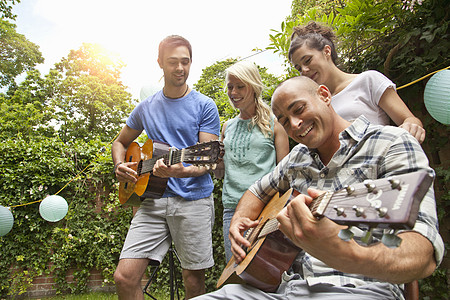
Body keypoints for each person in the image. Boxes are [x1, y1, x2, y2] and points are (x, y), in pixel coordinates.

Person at [193, 76, 443, 300]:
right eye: (285, 122)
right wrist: (239, 220)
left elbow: (424, 252)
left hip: (359, 289)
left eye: (299, 109)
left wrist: (349, 254)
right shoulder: (297, 157)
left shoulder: (392, 143)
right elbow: (257, 191)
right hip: (283, 288)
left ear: (324, 95)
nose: (295, 125)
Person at [111, 35, 221, 300]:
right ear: (160, 63)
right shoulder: (145, 108)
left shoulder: (205, 106)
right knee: (124, 278)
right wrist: (120, 165)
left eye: (185, 62)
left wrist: (181, 171)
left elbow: (207, 160)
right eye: (173, 62)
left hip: (193, 201)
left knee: (193, 281)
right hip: (151, 202)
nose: (180, 68)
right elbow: (119, 142)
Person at [288, 21, 426, 144]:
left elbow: (409, 120)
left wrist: (411, 127)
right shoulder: (315, 102)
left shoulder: (368, 80)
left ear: (326, 51)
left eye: (307, 60)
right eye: (299, 68)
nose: (304, 70)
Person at [213, 60, 289, 262]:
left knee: (268, 271)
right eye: (230, 87)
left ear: (253, 86)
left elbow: (285, 175)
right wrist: (216, 162)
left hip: (266, 208)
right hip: (232, 210)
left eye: (240, 86)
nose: (233, 92)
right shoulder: (227, 127)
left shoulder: (274, 124)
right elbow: (219, 174)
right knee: (236, 270)